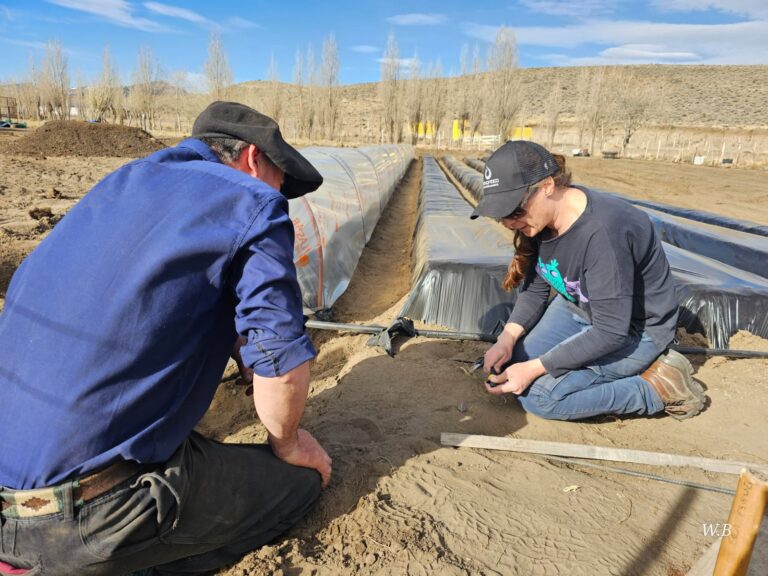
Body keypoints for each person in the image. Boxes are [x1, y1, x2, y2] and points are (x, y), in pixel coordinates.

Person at [0, 101, 332, 575]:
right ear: (254, 160)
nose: (283, 194)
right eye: (283, 180)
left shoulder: (122, 183)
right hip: (79, 523)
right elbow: (280, 368)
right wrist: (291, 444)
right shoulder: (253, 201)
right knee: (297, 485)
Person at [472, 140, 706, 421]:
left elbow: (611, 331)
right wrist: (506, 340)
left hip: (635, 331)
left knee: (539, 397)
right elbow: (535, 289)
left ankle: (657, 388)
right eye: (502, 216)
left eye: (514, 211)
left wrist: (537, 368)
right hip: (580, 308)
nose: (509, 223)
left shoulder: (603, 235)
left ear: (546, 186)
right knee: (512, 364)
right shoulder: (541, 223)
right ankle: (589, 372)